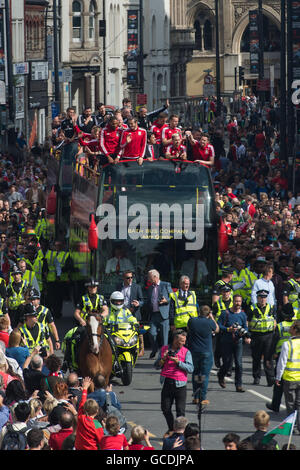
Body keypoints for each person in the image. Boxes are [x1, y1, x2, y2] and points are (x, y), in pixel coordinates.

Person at [154, 329, 194, 435]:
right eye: (182, 341)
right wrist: (163, 358)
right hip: (167, 382)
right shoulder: (164, 349)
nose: (184, 343)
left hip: (180, 384)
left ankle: (180, 432)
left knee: (180, 412)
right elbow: (156, 366)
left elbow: (190, 368)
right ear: (175, 340)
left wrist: (179, 362)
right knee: (165, 408)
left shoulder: (186, 352)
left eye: (184, 341)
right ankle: (172, 428)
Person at [217, 294, 251, 392]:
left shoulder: (243, 315)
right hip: (226, 341)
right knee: (227, 363)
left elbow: (245, 326)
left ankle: (238, 385)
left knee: (239, 364)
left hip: (238, 341)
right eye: (236, 301)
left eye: (239, 302)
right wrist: (228, 329)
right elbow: (218, 326)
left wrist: (246, 335)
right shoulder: (225, 313)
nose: (237, 303)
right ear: (233, 301)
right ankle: (221, 375)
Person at [266, 303, 296, 412]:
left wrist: (268, 357)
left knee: (279, 383)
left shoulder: (280, 326)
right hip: (295, 356)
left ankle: (275, 405)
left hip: (280, 355)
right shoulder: (296, 324)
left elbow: (273, 342)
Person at [187, 305, 219, 405]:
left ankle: (196, 396)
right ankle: (202, 397)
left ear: (198, 312)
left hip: (194, 351)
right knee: (204, 375)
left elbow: (188, 329)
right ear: (209, 313)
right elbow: (217, 329)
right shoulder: (209, 322)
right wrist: (212, 318)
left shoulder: (192, 321)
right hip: (206, 351)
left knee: (196, 373)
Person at [275, 320, 300, 435]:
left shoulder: (287, 344)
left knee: (290, 404)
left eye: (291, 327)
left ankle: (293, 426)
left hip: (290, 378)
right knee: (299, 403)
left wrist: (278, 377)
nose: (289, 328)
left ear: (295, 330)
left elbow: (282, 363)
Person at [247, 289, 277, 386]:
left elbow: (275, 321)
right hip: (256, 336)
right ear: (257, 298)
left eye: (264, 298)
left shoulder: (271, 307)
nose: (263, 299)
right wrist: (248, 335)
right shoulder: (252, 308)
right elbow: (247, 322)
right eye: (261, 297)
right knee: (256, 358)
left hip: (268, 336)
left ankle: (270, 378)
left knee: (268, 358)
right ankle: (256, 377)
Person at [146, 269, 173, 358]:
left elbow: (172, 297)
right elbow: (148, 301)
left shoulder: (166, 285)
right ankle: (154, 348)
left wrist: (166, 300)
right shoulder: (150, 288)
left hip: (164, 315)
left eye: (149, 277)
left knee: (164, 338)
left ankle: (163, 356)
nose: (148, 279)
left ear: (155, 277)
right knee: (151, 333)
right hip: (154, 315)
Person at [74, 376, 104, 450]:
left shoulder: (81, 418)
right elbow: (101, 441)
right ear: (97, 411)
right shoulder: (97, 425)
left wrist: (85, 389)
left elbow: (82, 403)